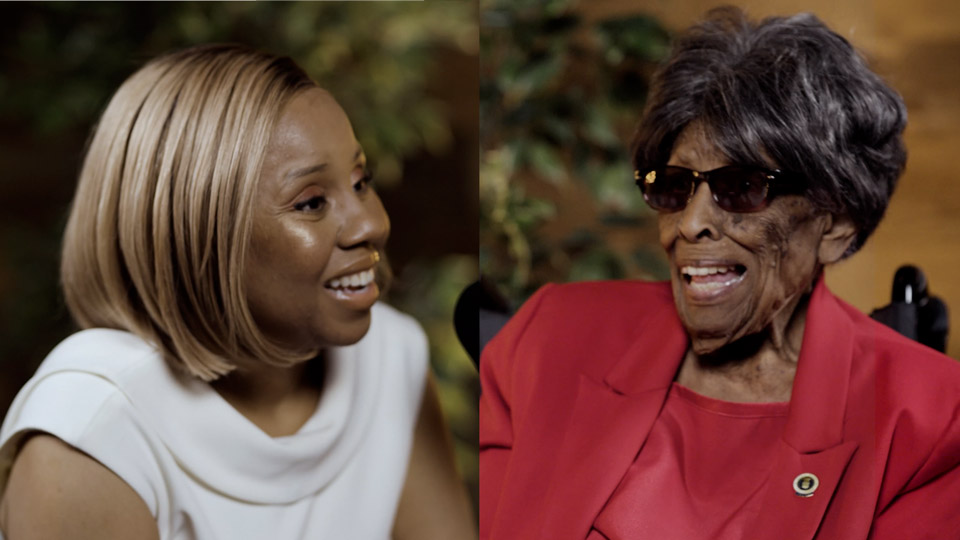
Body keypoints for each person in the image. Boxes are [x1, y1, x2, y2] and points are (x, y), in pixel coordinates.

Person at [479, 8, 960, 539]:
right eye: (673, 186)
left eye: (742, 188)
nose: (690, 223)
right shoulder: (548, 340)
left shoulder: (932, 423)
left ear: (836, 225)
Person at [0, 44, 475, 540]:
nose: (373, 223)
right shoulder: (92, 428)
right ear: (194, 234)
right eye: (312, 202)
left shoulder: (392, 355)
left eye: (361, 182)